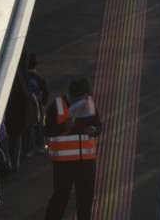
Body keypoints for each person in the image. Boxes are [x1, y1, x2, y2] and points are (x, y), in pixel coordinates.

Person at [43, 77, 103, 220]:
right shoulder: (56, 107)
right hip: (64, 163)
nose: (85, 101)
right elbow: (46, 131)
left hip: (86, 162)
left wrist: (94, 130)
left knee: (86, 200)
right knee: (60, 199)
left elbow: (99, 124)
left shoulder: (89, 104)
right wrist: (63, 127)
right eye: (81, 99)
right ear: (73, 96)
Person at [24, 53, 49, 156]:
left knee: (27, 128)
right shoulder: (39, 79)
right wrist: (43, 104)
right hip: (38, 105)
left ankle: (27, 150)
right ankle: (41, 146)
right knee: (39, 126)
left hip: (26, 106)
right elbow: (46, 93)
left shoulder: (24, 78)